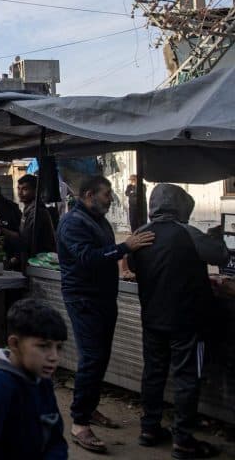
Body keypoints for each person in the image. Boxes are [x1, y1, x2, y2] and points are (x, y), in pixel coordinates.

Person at [56, 175, 155, 454]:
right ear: (89, 194)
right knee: (92, 358)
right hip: (84, 299)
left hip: (102, 297)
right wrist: (125, 248)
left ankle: (89, 407)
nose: (111, 198)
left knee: (100, 357)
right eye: (106, 194)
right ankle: (79, 423)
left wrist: (124, 261)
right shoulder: (73, 222)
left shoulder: (96, 219)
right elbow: (87, 257)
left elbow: (103, 253)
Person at [129, 184, 225, 458]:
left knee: (154, 373)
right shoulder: (188, 232)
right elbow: (220, 256)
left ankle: (149, 429)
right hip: (187, 321)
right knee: (186, 377)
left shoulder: (140, 234)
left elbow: (135, 267)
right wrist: (215, 238)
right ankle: (183, 439)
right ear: (181, 205)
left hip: (152, 319)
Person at [0, 298, 69, 460]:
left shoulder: (42, 381)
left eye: (58, 347)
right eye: (43, 346)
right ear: (15, 344)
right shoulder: (0, 385)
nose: (54, 357)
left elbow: (55, 438)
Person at [14, 174, 57, 267]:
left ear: (35, 191)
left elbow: (27, 240)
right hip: (29, 261)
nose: (20, 193)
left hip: (39, 263)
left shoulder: (37, 212)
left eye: (25, 189)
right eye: (19, 189)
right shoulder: (28, 210)